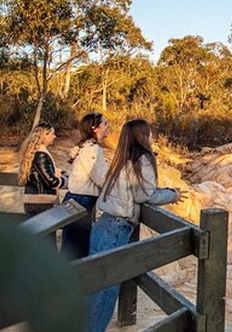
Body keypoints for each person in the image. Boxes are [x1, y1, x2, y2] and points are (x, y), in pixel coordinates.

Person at [85, 119, 180, 332]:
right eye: (150, 133)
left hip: (103, 224)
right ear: (143, 136)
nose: (152, 137)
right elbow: (145, 194)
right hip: (118, 227)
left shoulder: (121, 157)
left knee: (95, 286)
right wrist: (172, 194)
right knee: (105, 291)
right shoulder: (144, 159)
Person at [61, 112, 110, 259]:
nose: (109, 127)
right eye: (105, 124)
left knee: (71, 247)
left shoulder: (86, 147)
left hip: (77, 200)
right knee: (77, 250)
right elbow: (102, 178)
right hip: (82, 202)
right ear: (95, 128)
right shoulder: (92, 149)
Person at [18, 123, 68, 216]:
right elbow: (51, 181)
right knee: (47, 229)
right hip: (42, 202)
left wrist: (53, 171)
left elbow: (40, 175)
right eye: (52, 134)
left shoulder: (35, 153)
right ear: (44, 136)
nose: (55, 136)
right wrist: (66, 181)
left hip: (33, 200)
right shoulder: (41, 155)